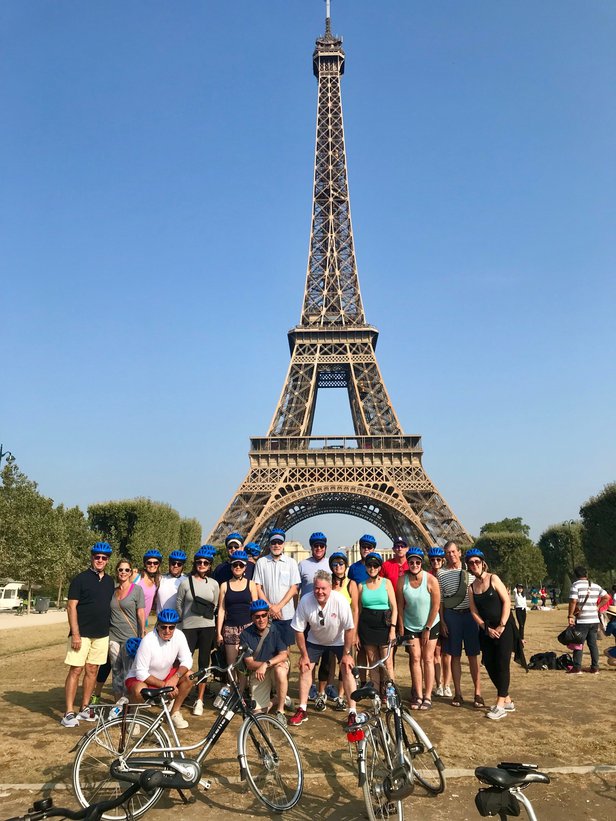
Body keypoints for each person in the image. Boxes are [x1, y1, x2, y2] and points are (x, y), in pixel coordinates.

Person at [288, 570, 358, 726]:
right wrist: (304, 655)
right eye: (317, 588)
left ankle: (352, 712)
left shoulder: (340, 601)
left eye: (323, 589)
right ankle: (302, 708)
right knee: (305, 668)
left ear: (330, 588)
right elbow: (298, 630)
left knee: (347, 669)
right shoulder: (305, 601)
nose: (319, 592)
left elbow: (349, 628)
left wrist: (347, 653)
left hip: (339, 640)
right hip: (315, 640)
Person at [61, 542, 115, 727]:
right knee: (76, 670)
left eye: (104, 558)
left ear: (108, 560)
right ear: (92, 558)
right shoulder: (80, 579)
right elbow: (71, 607)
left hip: (101, 634)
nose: (100, 560)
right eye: (97, 557)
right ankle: (68, 712)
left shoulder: (109, 581)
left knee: (92, 670)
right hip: (81, 633)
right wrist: (75, 633)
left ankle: (85, 708)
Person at [467, 549, 515, 720]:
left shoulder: (493, 578)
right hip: (486, 630)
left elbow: (506, 601)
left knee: (502, 663)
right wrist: (484, 628)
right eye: (471, 563)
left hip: (504, 628)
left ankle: (500, 704)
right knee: (489, 663)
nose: (474, 565)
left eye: (477, 562)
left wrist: (502, 625)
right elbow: (473, 611)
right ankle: (507, 699)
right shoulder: (471, 588)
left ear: (483, 562)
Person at [125, 608, 193, 729]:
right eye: (163, 627)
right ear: (158, 625)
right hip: (140, 679)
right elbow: (141, 673)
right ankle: (134, 715)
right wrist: (165, 685)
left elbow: (188, 660)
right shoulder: (148, 641)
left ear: (175, 627)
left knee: (190, 675)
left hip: (165, 676)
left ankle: (174, 713)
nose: (167, 631)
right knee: (139, 689)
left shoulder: (179, 635)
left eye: (171, 627)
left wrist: (175, 677)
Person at [438, 541, 483, 709]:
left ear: (459, 552)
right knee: (454, 656)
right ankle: (458, 692)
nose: (451, 555)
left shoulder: (470, 569)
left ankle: (477, 693)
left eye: (453, 551)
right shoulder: (441, 574)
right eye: (447, 552)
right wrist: (442, 621)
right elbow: (441, 601)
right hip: (452, 617)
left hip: (470, 616)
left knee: (473, 656)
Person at [93, 558, 145, 703]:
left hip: (130, 637)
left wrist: (142, 632)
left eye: (126, 570)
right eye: (120, 569)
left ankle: (128, 704)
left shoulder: (137, 590)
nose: (123, 572)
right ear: (117, 572)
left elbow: (140, 613)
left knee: (129, 673)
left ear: (130, 572)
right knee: (116, 672)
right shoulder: (113, 590)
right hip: (113, 636)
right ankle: (118, 705)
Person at [176, 546, 219, 715]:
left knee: (203, 663)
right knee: (184, 661)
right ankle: (182, 691)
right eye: (199, 562)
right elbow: (179, 604)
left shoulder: (214, 584)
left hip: (207, 627)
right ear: (195, 564)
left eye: (205, 563)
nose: (202, 565)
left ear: (209, 565)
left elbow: (214, 604)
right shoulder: (185, 583)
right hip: (188, 627)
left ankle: (199, 699)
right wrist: (185, 619)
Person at [396, 547, 440, 710]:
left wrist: (428, 627)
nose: (414, 564)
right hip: (410, 624)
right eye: (411, 562)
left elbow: (436, 605)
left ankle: (427, 695)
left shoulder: (431, 580)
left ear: (422, 563)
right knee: (415, 658)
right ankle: (418, 694)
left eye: (417, 562)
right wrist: (400, 624)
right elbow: (400, 604)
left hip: (430, 623)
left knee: (428, 658)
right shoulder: (402, 580)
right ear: (408, 563)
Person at [351, 552, 397, 692]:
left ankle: (390, 693)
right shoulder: (361, 585)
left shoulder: (386, 583)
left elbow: (394, 607)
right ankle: (376, 692)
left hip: (384, 626)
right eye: (369, 565)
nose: (372, 568)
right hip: (367, 627)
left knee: (387, 662)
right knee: (373, 662)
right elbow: (357, 611)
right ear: (366, 567)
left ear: (379, 567)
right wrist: (356, 633)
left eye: (375, 565)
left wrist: (393, 630)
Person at [240, 599, 290, 725]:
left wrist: (266, 664)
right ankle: (279, 699)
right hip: (258, 670)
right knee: (258, 714)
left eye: (264, 615)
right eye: (257, 617)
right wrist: (263, 666)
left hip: (275, 666)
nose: (261, 619)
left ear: (268, 615)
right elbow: (249, 663)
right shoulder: (245, 634)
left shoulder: (276, 629)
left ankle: (280, 711)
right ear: (252, 618)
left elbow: (284, 654)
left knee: (280, 670)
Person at [253, 529, 301, 648]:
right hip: (266, 615)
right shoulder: (261, 562)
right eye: (274, 542)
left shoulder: (291, 563)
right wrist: (270, 607)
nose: (276, 545)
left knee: (285, 651)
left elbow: (294, 588)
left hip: (286, 615)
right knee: (266, 650)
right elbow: (257, 587)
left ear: (283, 544)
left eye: (279, 542)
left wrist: (278, 607)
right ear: (269, 544)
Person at [216, 550, 258, 670]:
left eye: (241, 565)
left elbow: (254, 608)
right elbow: (221, 610)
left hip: (248, 627)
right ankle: (234, 688)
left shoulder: (251, 584)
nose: (238, 567)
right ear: (231, 567)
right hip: (230, 628)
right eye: (235, 564)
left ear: (245, 567)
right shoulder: (224, 585)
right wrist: (219, 633)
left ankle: (242, 688)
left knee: (246, 664)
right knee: (232, 664)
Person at [566, 566, 609, 675]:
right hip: (594, 619)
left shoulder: (575, 586)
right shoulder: (595, 586)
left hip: (582, 620)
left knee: (578, 643)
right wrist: (598, 607)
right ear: (586, 574)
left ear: (575, 575)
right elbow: (607, 597)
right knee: (593, 644)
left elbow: (573, 601)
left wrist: (570, 615)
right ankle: (595, 668)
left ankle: (577, 667)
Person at [427, 546, 447, 696]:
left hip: (446, 617)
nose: (435, 562)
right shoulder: (426, 577)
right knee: (436, 653)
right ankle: (439, 684)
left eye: (438, 560)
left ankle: (446, 684)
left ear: (443, 561)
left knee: (448, 654)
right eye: (433, 560)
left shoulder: (448, 576)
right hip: (433, 618)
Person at [298, 532, 330, 596]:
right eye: (316, 546)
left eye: (321, 546)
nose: (319, 548)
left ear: (325, 548)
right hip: (307, 605)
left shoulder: (331, 563)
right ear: (311, 547)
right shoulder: (302, 565)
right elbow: (296, 589)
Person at [137, 549, 162, 626]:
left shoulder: (158, 580)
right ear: (145, 564)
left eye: (155, 563)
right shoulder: (136, 577)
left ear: (158, 565)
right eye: (149, 562)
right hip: (131, 620)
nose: (152, 565)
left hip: (143, 621)